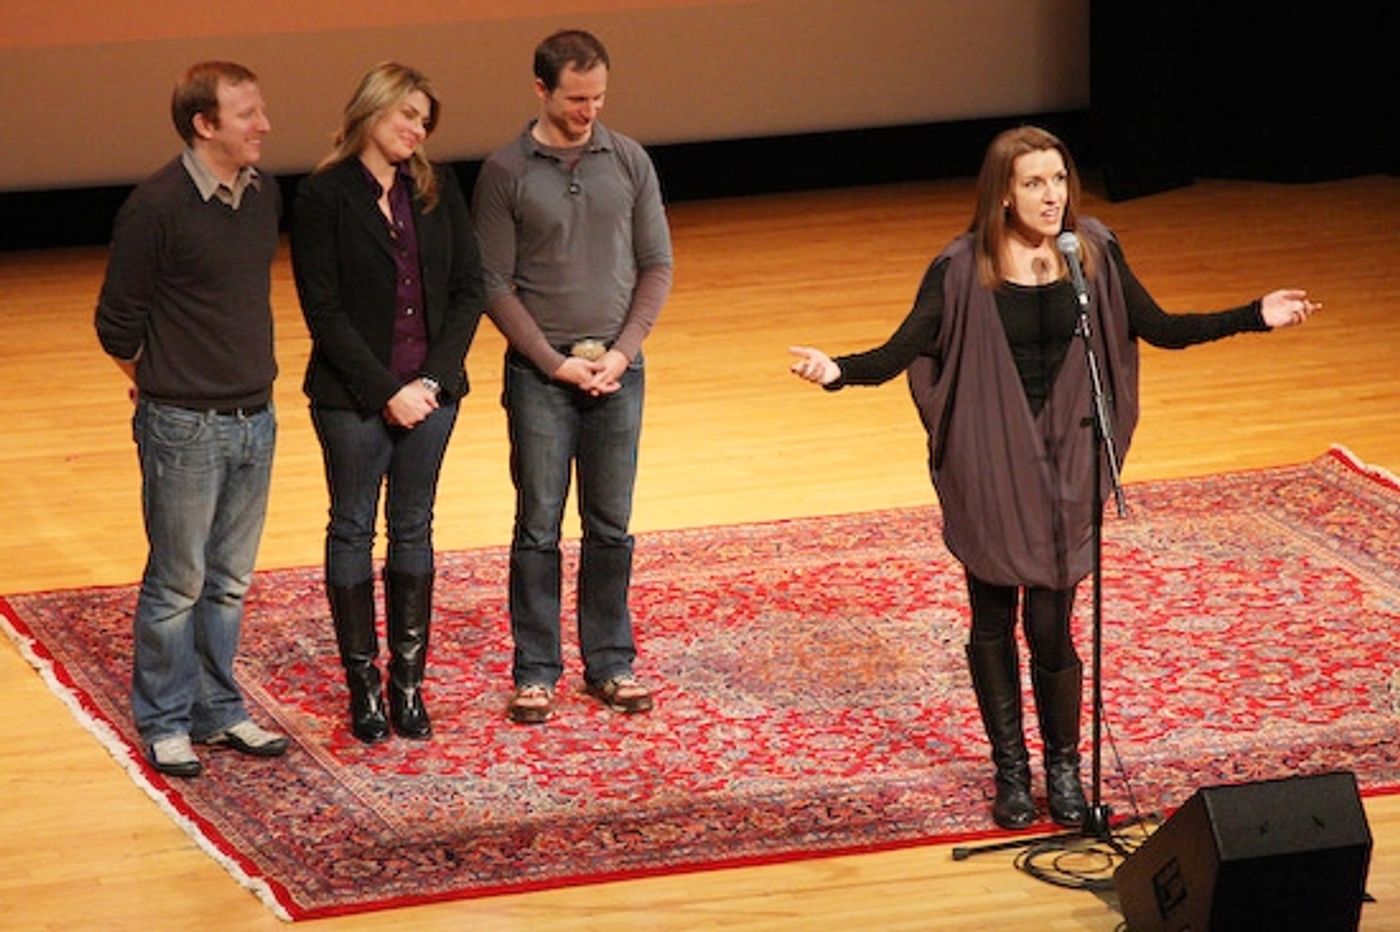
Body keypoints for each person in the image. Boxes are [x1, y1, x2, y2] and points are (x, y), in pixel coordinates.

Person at [789, 125, 1316, 830]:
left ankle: (1064, 768)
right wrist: (837, 373)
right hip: (990, 458)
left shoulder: (1090, 253)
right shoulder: (959, 266)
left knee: (1051, 621)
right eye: (1034, 183)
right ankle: (1011, 770)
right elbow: (902, 349)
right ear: (1003, 194)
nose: (1050, 196)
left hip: (1069, 454)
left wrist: (1255, 315)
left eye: (1059, 180)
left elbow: (1157, 326)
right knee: (993, 616)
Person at [472, 29, 673, 724]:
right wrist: (555, 364)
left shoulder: (629, 161)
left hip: (619, 369)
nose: (590, 111)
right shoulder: (506, 172)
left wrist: (621, 353)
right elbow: (493, 285)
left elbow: (657, 266)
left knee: (611, 525)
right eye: (576, 98)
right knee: (538, 524)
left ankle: (611, 662)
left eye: (599, 98)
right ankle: (535, 670)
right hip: (541, 375)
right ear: (541, 90)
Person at [95, 61, 290, 777]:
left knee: (230, 580)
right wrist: (159, 387)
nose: (263, 126)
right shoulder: (156, 206)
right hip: (185, 426)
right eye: (247, 115)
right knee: (178, 581)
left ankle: (218, 708)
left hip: (255, 417)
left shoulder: (262, 194)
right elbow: (117, 325)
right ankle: (166, 719)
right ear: (205, 125)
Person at [291, 63, 485, 742]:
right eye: (407, 115)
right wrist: (386, 393)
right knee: (351, 528)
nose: (416, 130)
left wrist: (430, 383)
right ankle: (363, 689)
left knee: (414, 527)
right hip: (353, 400)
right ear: (371, 111)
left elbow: (469, 290)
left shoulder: (436, 189)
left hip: (432, 397)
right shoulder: (323, 196)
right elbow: (324, 309)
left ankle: (408, 686)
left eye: (424, 121)